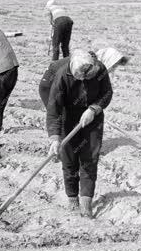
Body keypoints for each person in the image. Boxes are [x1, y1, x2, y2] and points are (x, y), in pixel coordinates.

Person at [46, 50, 112, 218]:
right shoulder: (62, 77)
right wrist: (54, 138)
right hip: (69, 118)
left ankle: (86, 203)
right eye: (80, 77)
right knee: (69, 160)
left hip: (92, 119)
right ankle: (72, 199)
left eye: (87, 76)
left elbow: (107, 93)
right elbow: (54, 110)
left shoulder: (100, 70)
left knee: (90, 158)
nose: (84, 79)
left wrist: (94, 109)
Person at [39, 48, 126, 106]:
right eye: (113, 66)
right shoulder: (84, 66)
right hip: (48, 86)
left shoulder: (94, 66)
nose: (113, 69)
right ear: (108, 59)